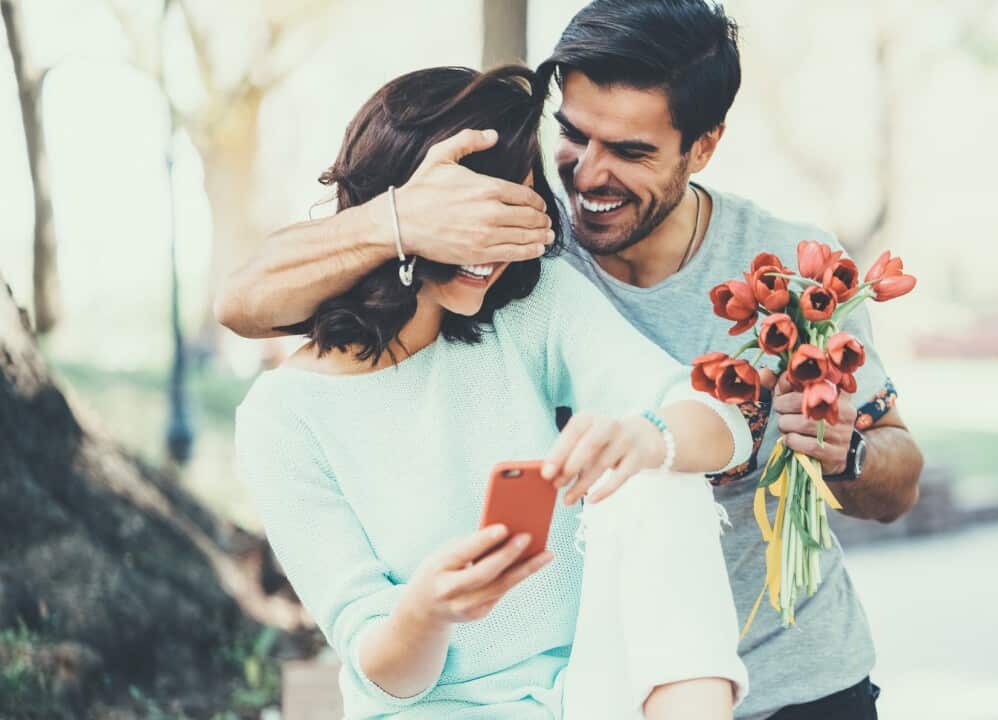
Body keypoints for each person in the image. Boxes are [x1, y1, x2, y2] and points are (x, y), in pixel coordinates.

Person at [219, 2, 925, 718]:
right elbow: (244, 303)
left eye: (631, 151)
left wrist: (847, 454)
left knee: (655, 461)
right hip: (598, 683)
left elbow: (896, 482)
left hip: (791, 678)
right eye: (574, 135)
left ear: (702, 146)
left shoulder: (792, 271)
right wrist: (401, 219)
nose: (588, 176)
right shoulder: (516, 241)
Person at [234, 64, 752, 719]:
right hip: (432, 708)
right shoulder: (283, 418)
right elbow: (384, 670)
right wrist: (427, 610)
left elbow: (721, 419)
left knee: (661, 467)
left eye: (518, 210)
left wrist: (645, 436)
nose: (499, 248)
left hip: (587, 697)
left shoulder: (529, 309)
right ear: (410, 210)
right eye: (479, 215)